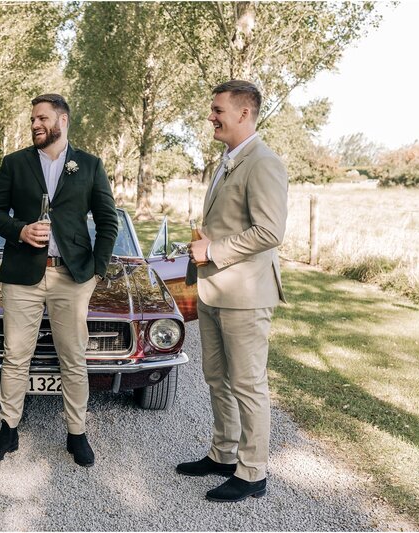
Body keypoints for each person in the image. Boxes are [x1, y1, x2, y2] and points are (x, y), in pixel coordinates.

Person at [0, 93, 118, 467]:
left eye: (42, 118)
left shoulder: (89, 165)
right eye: (32, 120)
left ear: (62, 120)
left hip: (71, 277)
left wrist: (95, 273)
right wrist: (20, 230)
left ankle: (77, 433)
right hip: (22, 276)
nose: (36, 125)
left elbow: (109, 222)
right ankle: (7, 432)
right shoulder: (15, 163)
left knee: (73, 357)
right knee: (15, 355)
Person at [178, 80, 288, 501]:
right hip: (213, 290)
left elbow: (270, 231)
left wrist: (214, 249)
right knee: (216, 377)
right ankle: (223, 454)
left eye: (217, 110)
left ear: (244, 113)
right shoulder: (226, 160)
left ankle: (253, 472)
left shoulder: (264, 162)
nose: (211, 116)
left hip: (245, 295)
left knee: (248, 383)